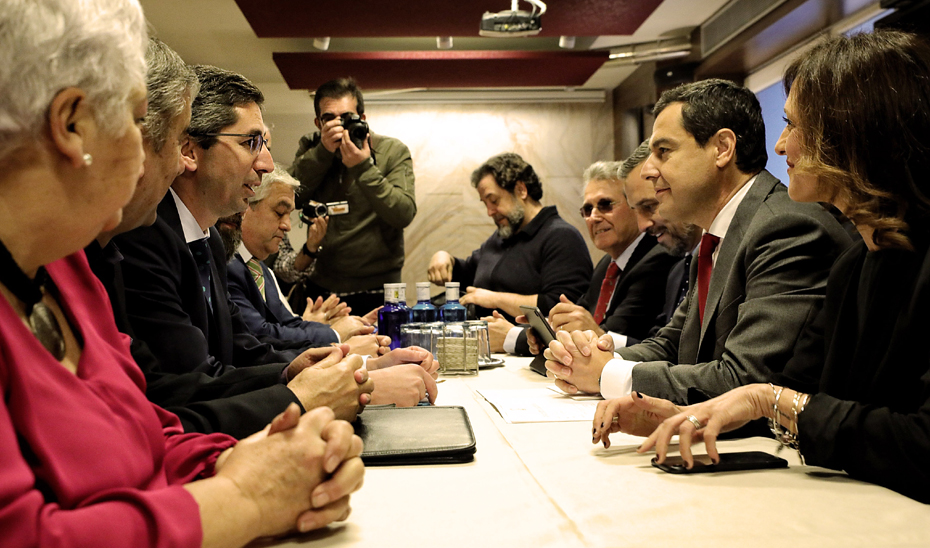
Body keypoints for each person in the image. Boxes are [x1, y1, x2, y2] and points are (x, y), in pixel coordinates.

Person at [0, 0, 363, 544]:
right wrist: (242, 497)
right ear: (73, 126)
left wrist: (282, 457)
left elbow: (150, 431)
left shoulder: (67, 269)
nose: (161, 161)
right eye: (140, 120)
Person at [608, 30, 930, 503]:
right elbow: (792, 398)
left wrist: (769, 400)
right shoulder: (853, 265)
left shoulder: (799, 230)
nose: (780, 147)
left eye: (794, 126)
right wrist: (672, 414)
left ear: (857, 133)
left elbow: (917, 442)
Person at [85, 38, 376, 437]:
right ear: (188, 151)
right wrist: (301, 397)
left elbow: (234, 349)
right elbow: (171, 395)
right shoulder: (141, 235)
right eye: (251, 142)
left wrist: (294, 372)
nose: (267, 163)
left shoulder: (204, 238)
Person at [544, 78, 851, 405]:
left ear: (722, 149)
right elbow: (674, 344)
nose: (648, 170)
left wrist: (609, 375)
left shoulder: (785, 227)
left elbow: (747, 380)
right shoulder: (717, 232)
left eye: (663, 151)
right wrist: (592, 359)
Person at [226, 165, 441, 407]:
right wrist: (341, 340)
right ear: (245, 207)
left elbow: (287, 325)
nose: (287, 226)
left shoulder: (258, 266)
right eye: (279, 213)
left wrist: (361, 355)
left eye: (290, 216)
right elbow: (261, 338)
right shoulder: (228, 264)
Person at [428, 152, 593, 351]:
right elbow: (470, 274)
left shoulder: (561, 237)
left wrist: (494, 299)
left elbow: (559, 307)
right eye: (485, 204)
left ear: (521, 190)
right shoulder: (503, 236)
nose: (490, 211)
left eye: (494, 200)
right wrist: (445, 258)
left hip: (533, 358)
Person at [289, 77, 416, 314]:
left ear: (363, 119)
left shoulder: (391, 151)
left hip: (379, 287)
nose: (339, 126)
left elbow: (403, 213)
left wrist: (363, 167)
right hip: (324, 284)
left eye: (347, 118)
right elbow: (290, 198)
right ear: (318, 123)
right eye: (329, 119)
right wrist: (322, 154)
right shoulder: (312, 148)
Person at [621, 139, 702, 344]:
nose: (642, 226)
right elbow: (662, 346)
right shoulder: (678, 272)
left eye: (649, 206)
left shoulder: (730, 258)